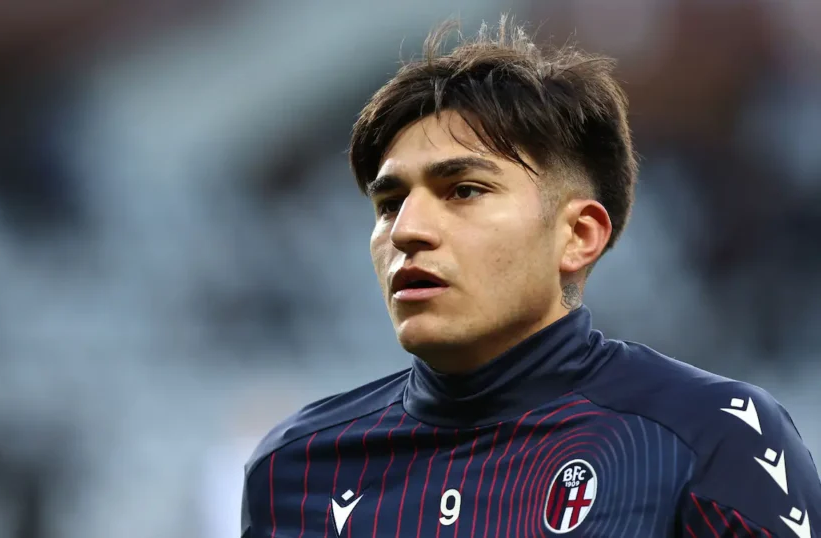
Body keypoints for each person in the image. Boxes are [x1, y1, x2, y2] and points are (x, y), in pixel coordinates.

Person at [240, 16, 821, 538]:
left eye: (464, 190)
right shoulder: (295, 469)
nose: (407, 230)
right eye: (389, 204)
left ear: (579, 235)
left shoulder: (709, 438)